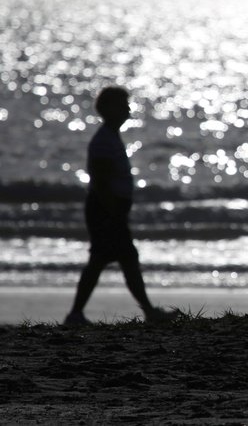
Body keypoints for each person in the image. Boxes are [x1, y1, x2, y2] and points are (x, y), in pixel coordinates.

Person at [65, 87, 175, 325]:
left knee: (114, 259)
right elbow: (102, 181)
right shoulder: (104, 140)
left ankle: (79, 313)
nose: (127, 109)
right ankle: (146, 311)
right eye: (122, 105)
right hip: (105, 209)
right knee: (115, 258)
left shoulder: (110, 137)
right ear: (108, 109)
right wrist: (112, 211)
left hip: (108, 209)